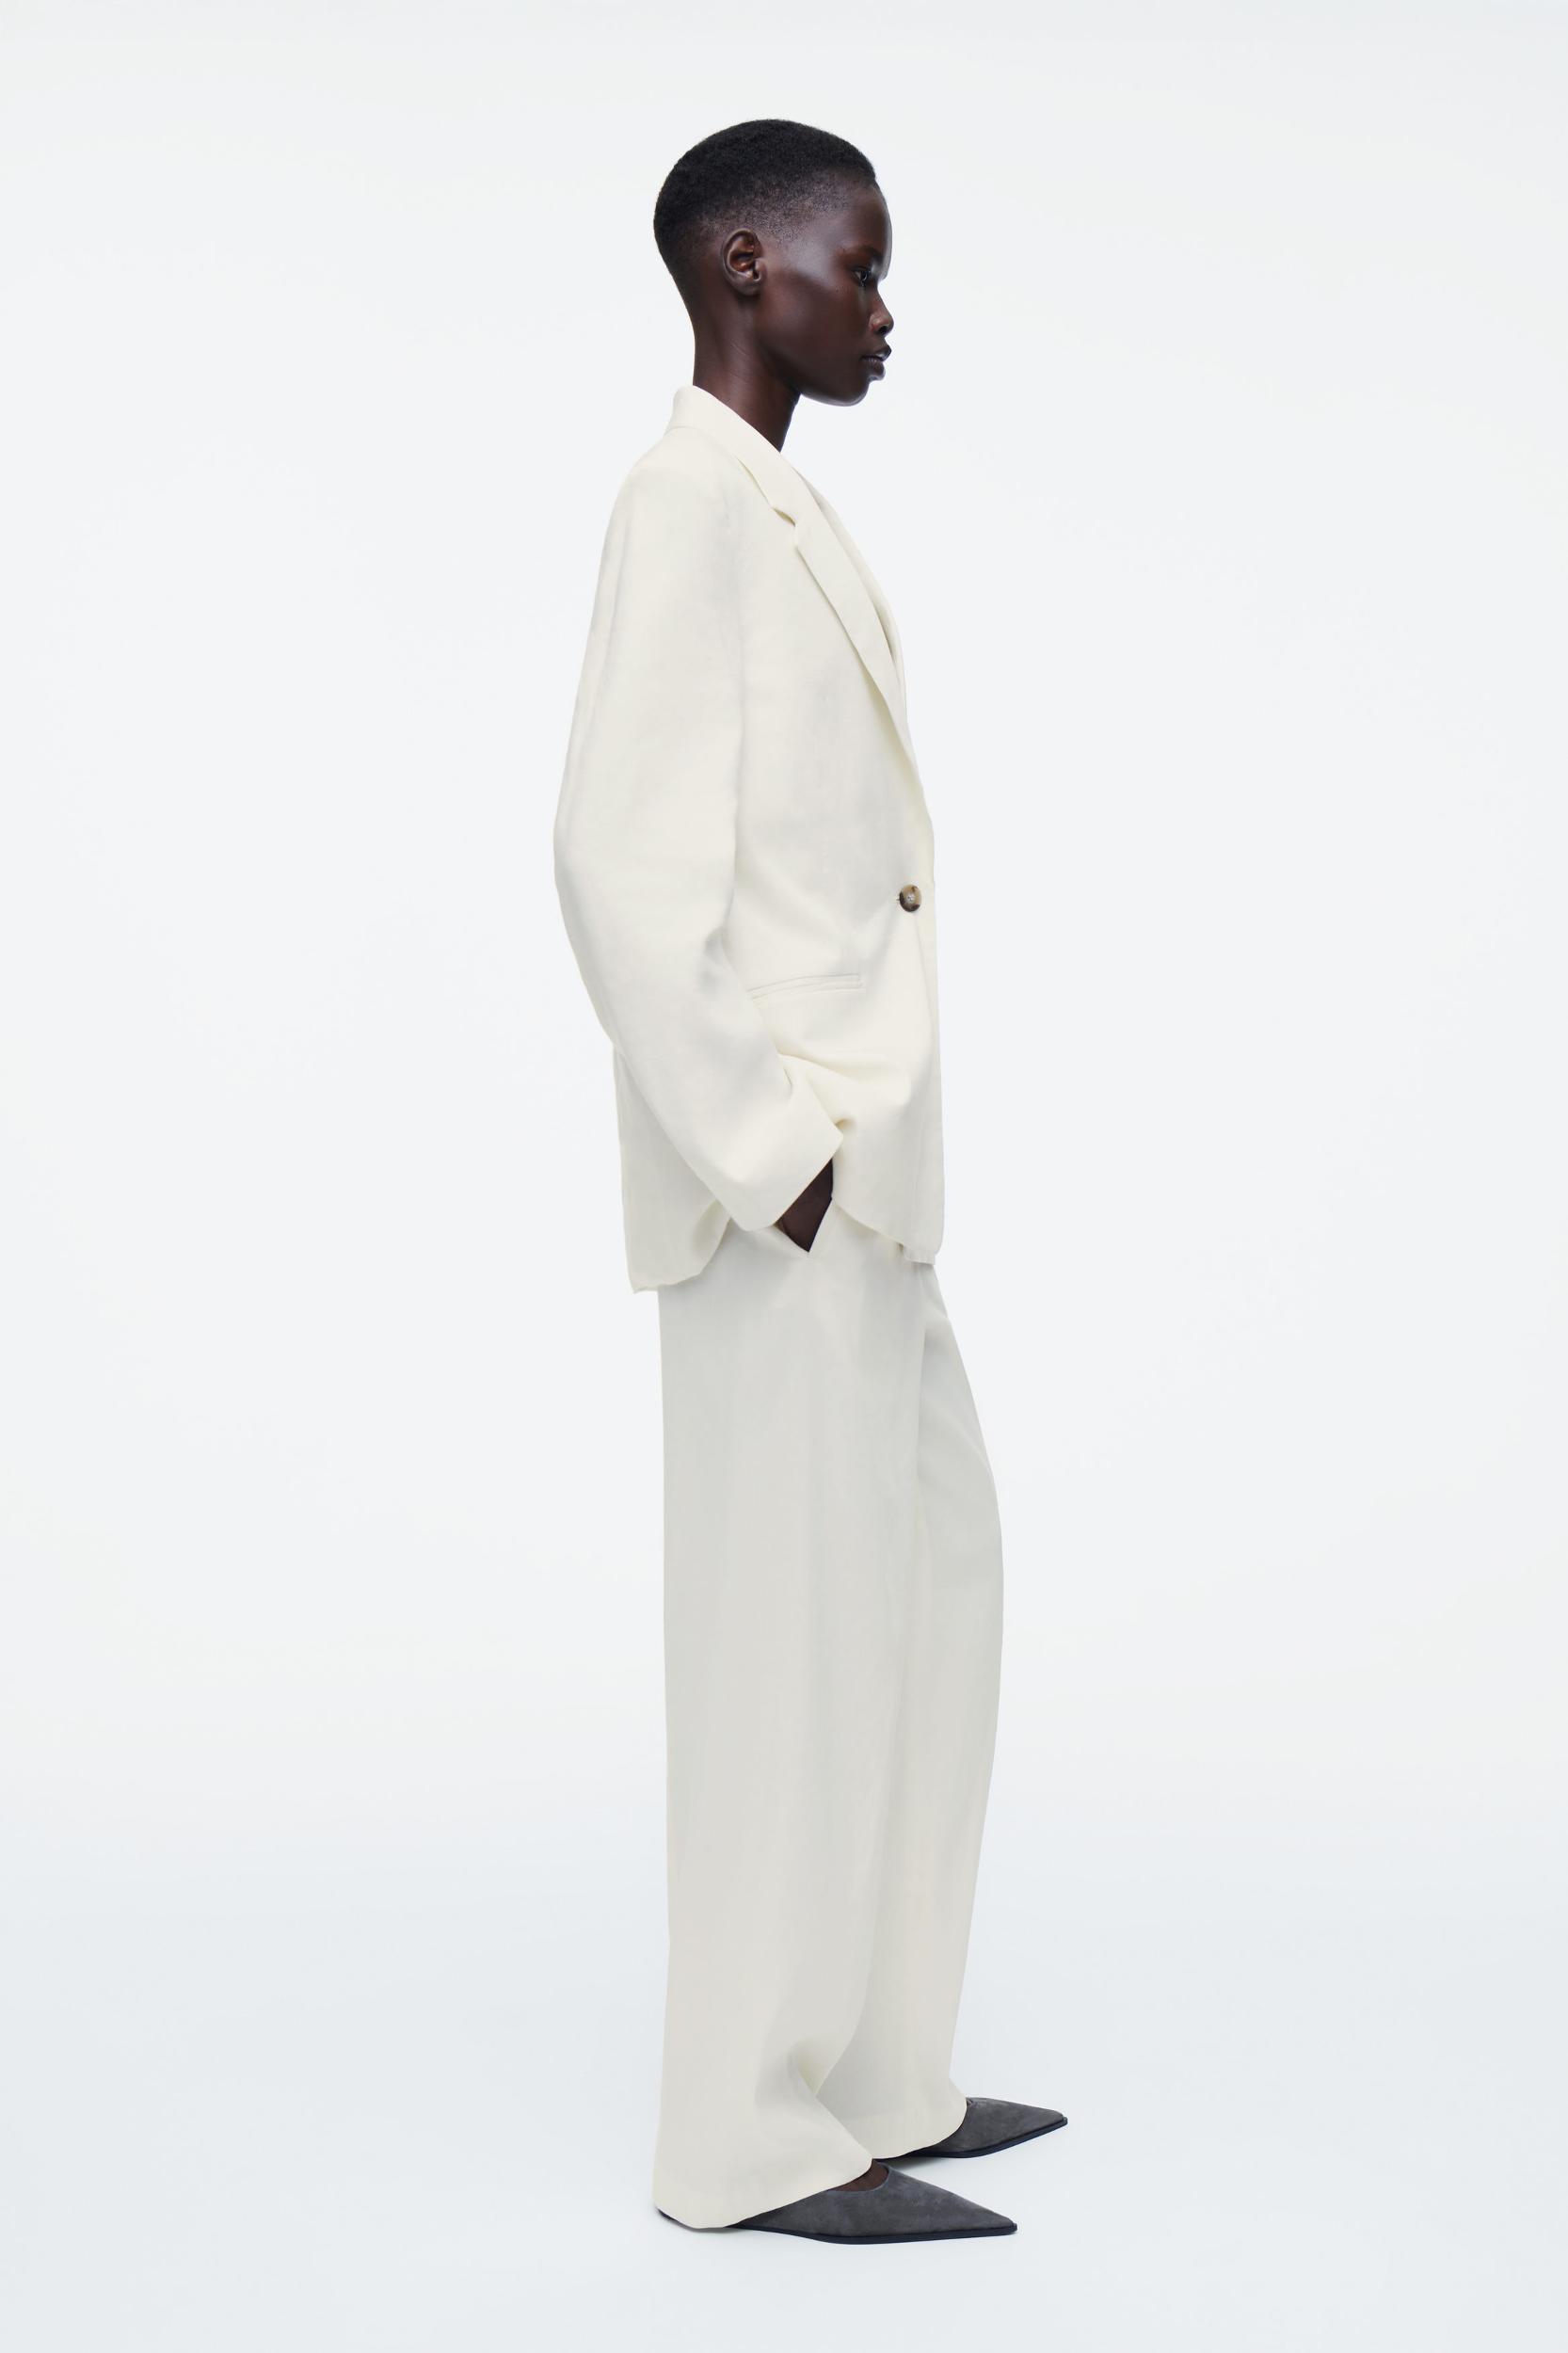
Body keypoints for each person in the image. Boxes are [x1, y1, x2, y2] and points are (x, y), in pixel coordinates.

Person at [552, 118, 1064, 2246]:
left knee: (926, 1607)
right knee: (789, 1660)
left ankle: (874, 2070)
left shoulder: (774, 506)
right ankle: (745, 2144)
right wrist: (772, 1155)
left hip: (870, 1186)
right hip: (789, 1186)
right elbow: (615, 864)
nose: (881, 305)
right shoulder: (680, 506)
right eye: (857, 265)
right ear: (742, 264)